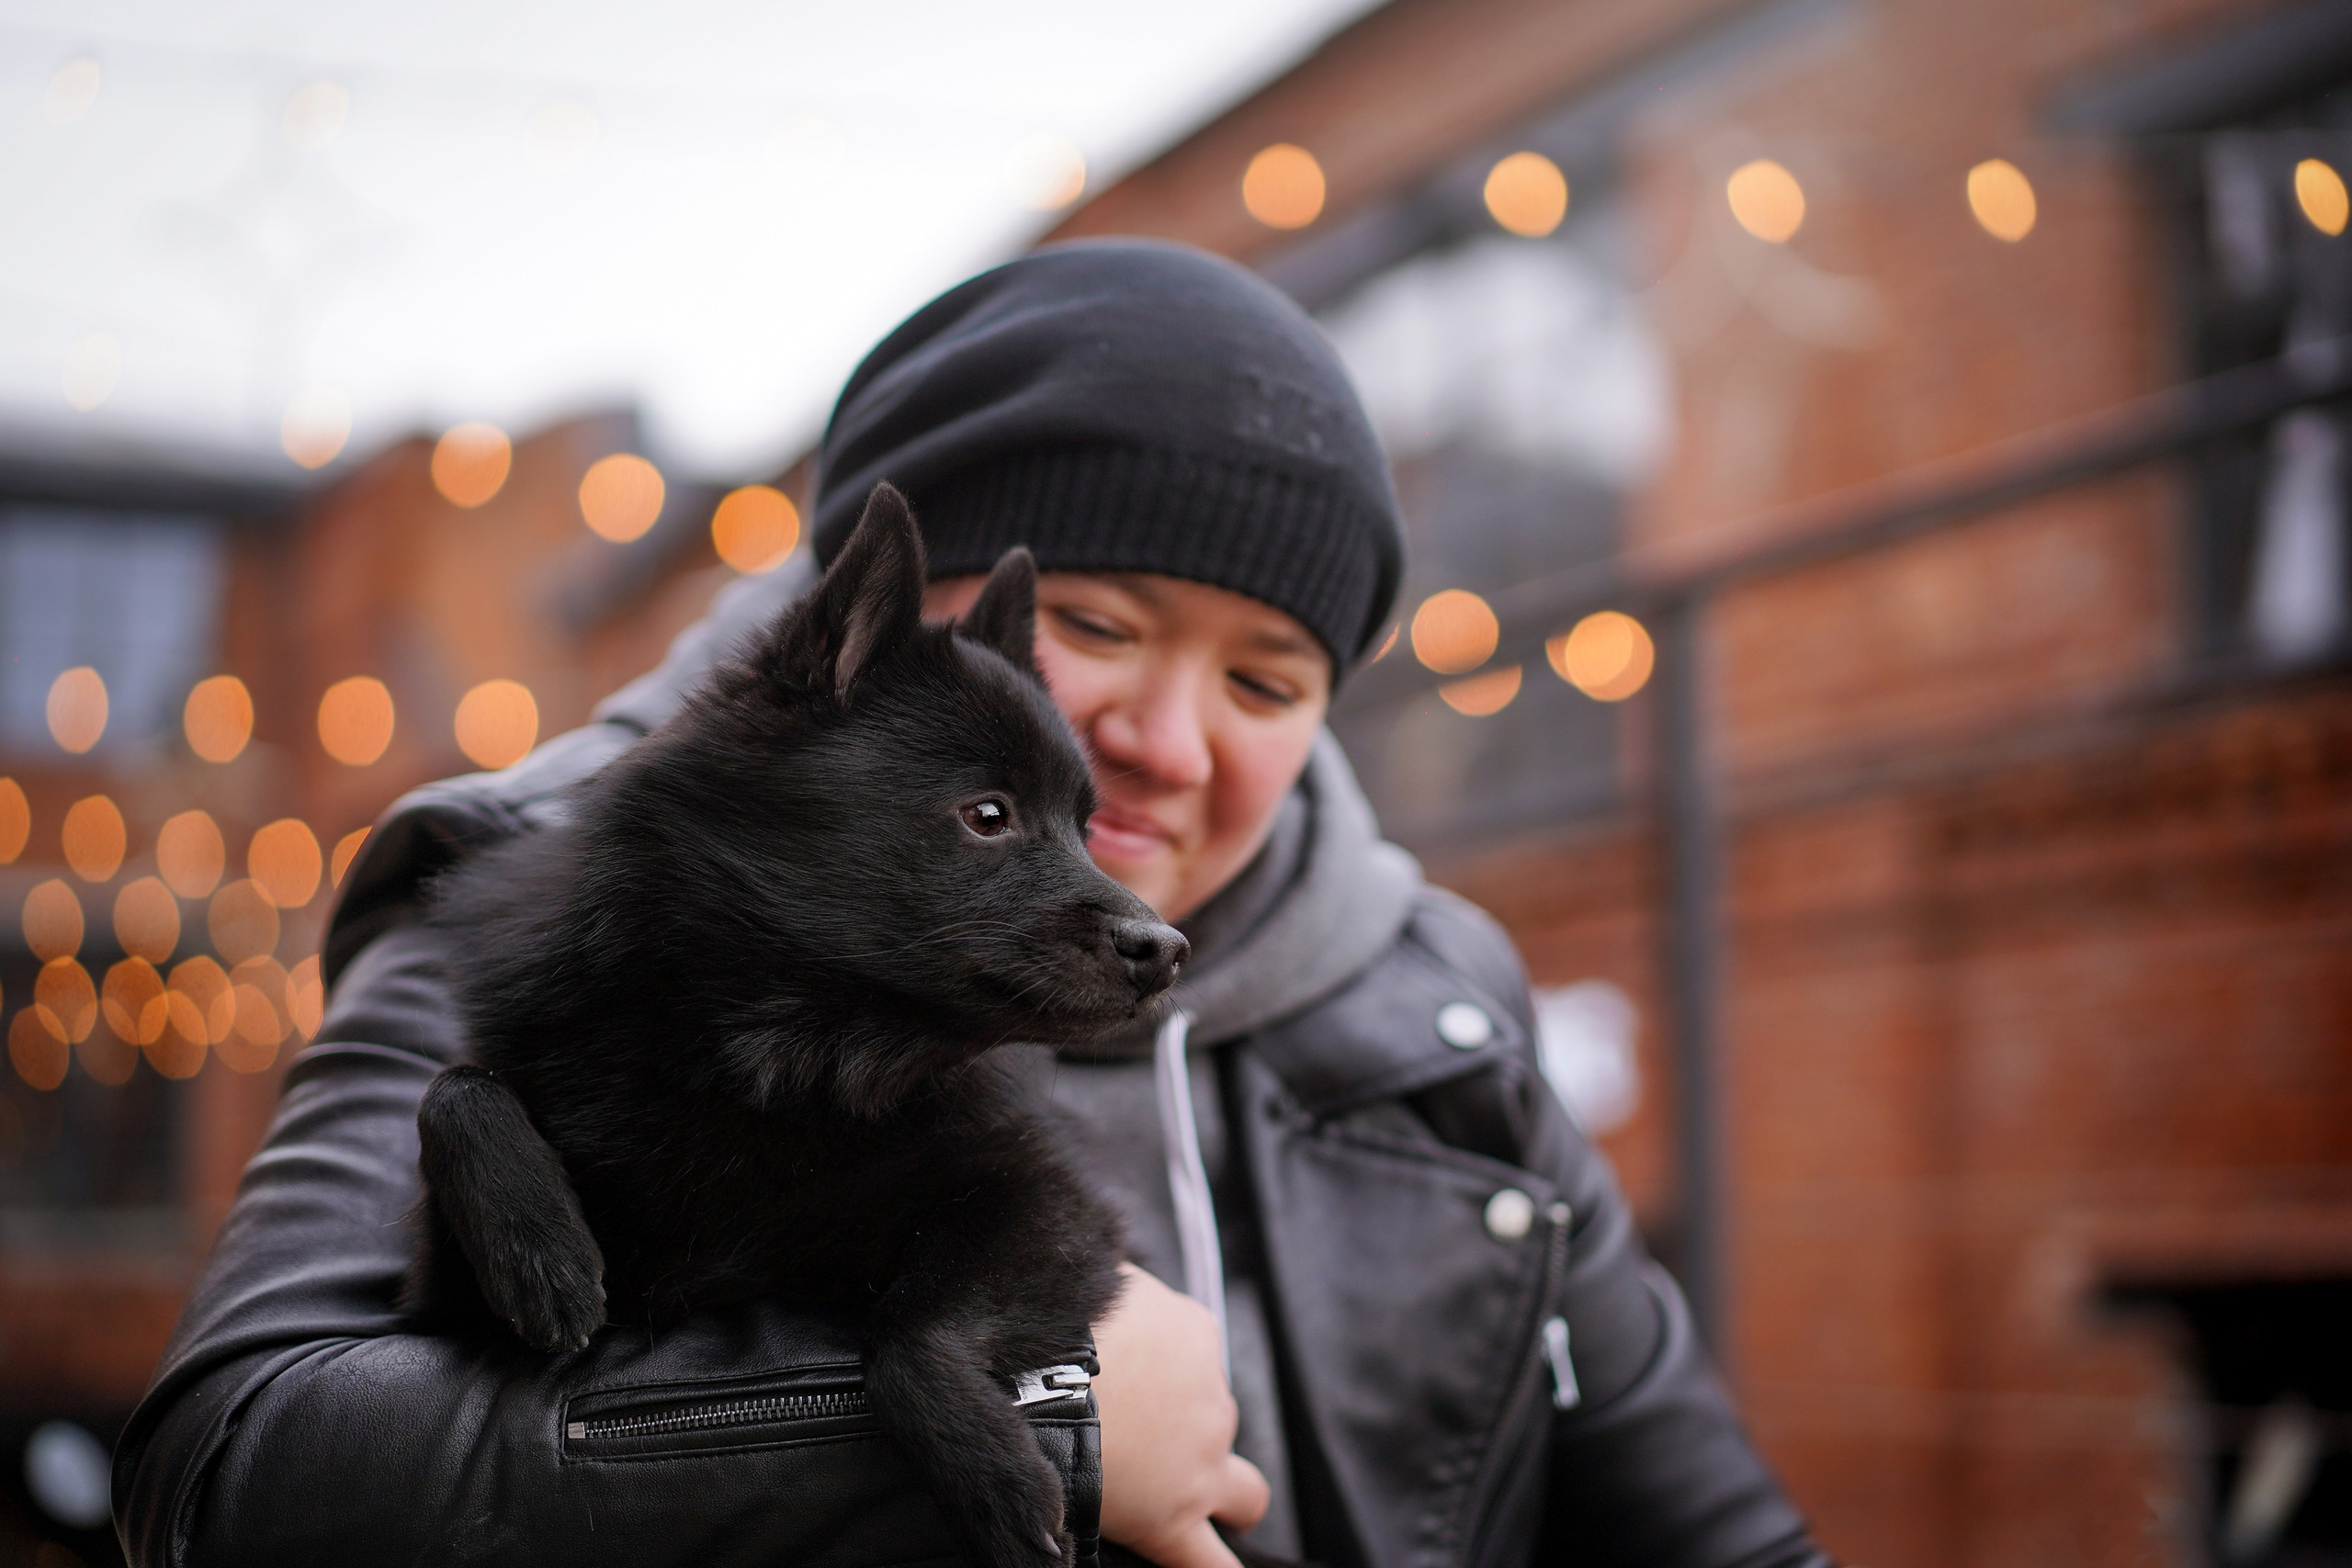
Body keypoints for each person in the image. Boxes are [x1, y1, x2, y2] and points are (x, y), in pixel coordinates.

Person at [114, 241, 1830, 1568]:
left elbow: (1714, 1531)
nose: (1164, 744)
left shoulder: (1436, 1007)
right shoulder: (537, 900)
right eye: (1094, 625)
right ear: (883, 610)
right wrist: (1036, 1423)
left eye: (1266, 679)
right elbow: (233, 1481)